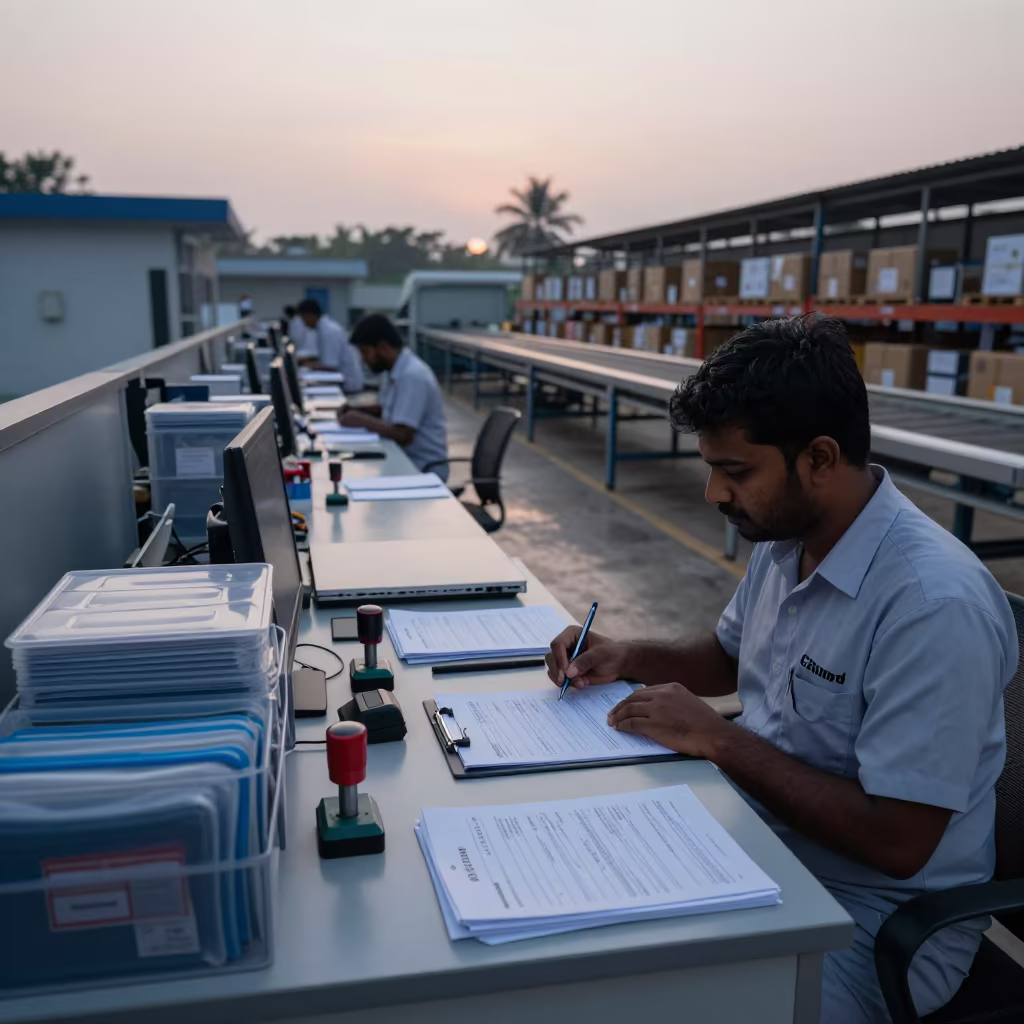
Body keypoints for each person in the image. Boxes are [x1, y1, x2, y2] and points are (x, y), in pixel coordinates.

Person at [545, 315, 1017, 1024]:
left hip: (871, 923)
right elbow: (730, 655)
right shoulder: (788, 535)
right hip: (757, 847)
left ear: (820, 458)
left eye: (735, 471)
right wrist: (628, 654)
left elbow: (899, 844)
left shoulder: (930, 605)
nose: (714, 495)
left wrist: (720, 740)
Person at [337, 313, 449, 480]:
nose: (363, 360)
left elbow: (403, 434)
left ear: (382, 347)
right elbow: (390, 408)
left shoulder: (412, 376)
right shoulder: (394, 370)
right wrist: (357, 410)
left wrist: (361, 420)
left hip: (422, 468)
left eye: (365, 352)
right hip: (403, 458)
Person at [295, 298, 364, 393]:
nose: (303, 322)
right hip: (342, 380)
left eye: (303, 318)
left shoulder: (328, 332)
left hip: (348, 384)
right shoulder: (323, 328)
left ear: (310, 315)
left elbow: (331, 366)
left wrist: (308, 366)